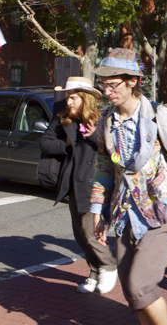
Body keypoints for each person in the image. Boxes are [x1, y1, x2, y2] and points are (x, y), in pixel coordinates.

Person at [90, 49, 167, 324]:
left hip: (156, 215)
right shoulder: (106, 121)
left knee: (140, 285)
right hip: (123, 216)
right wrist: (98, 210)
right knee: (132, 293)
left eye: (113, 84)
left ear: (133, 80)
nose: (107, 90)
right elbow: (103, 167)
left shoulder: (160, 115)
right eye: (104, 84)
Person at [39, 77, 118, 294]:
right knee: (80, 234)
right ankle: (94, 273)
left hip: (94, 184)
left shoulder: (102, 119)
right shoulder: (63, 119)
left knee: (89, 231)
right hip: (72, 183)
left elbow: (115, 154)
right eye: (67, 97)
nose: (69, 102)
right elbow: (44, 142)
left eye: (73, 97)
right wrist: (65, 143)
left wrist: (95, 137)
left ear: (85, 99)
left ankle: (109, 265)